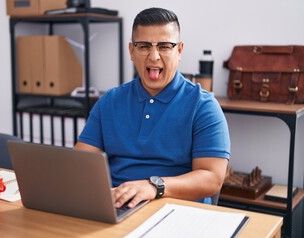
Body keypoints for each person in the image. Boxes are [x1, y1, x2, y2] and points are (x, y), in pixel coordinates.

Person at [74, 7, 230, 208]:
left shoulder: (204, 106)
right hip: (117, 206)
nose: (154, 56)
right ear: (132, 51)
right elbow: (81, 162)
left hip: (177, 211)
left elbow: (212, 179)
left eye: (165, 46)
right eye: (144, 46)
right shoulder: (109, 101)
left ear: (179, 50)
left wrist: (154, 186)